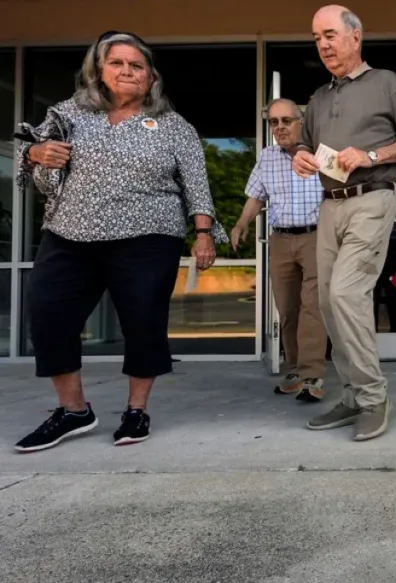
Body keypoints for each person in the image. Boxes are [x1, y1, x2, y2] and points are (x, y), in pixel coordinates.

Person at [12, 31, 228, 453]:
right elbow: (29, 149)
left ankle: (136, 410)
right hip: (70, 233)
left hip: (148, 236)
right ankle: (73, 410)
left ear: (151, 78)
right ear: (99, 70)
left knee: (142, 323)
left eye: (137, 66)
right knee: (48, 314)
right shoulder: (70, 113)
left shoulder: (173, 126)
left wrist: (203, 234)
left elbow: (197, 186)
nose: (127, 71)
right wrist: (37, 155)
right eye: (118, 63)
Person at [293, 5, 396, 441]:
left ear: (355, 36)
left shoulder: (386, 83)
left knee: (346, 293)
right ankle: (352, 395)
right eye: (316, 38)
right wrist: (300, 155)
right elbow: (306, 146)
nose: (323, 45)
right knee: (329, 304)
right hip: (329, 204)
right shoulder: (318, 98)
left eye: (330, 35)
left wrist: (371, 155)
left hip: (371, 198)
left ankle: (373, 397)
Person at [233, 97, 329, 402]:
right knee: (287, 309)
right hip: (281, 239)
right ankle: (295, 370)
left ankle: (312, 375)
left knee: (312, 308)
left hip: (316, 237)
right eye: (274, 122)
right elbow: (255, 197)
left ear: (301, 122)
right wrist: (241, 223)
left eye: (286, 120)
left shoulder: (321, 154)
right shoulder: (267, 157)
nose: (280, 127)